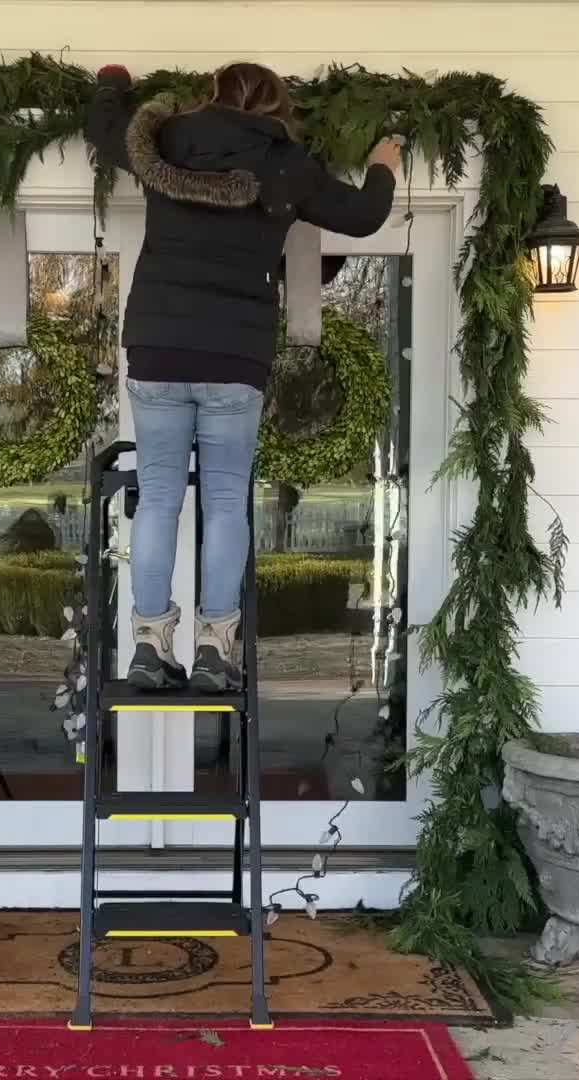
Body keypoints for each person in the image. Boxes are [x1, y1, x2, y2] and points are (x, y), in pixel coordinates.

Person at [88, 61, 400, 692]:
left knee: (158, 498)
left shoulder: (166, 141)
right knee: (226, 502)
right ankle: (212, 647)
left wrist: (114, 82)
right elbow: (366, 215)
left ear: (210, 96)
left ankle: (150, 645)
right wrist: (384, 160)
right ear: (277, 108)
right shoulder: (287, 165)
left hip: (159, 346)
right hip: (235, 354)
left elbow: (102, 128)